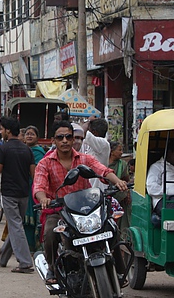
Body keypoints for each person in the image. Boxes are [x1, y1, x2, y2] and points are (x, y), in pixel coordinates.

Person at [33, 120, 128, 285]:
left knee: (111, 227)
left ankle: (120, 270)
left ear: (73, 140)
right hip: (60, 211)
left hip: (87, 210)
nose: (65, 141)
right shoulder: (45, 163)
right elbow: (39, 186)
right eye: (60, 137)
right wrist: (44, 199)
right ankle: (52, 268)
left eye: (68, 137)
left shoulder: (84, 159)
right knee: (50, 233)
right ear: (53, 140)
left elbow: (102, 170)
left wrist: (117, 181)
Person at [0, 117, 36, 273]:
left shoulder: (3, 149)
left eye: (2, 129)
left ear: (8, 131)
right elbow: (34, 174)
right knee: (17, 225)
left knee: (15, 226)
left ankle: (25, 262)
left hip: (9, 193)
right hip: (24, 193)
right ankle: (3, 257)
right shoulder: (27, 149)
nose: (0, 132)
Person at [81, 117, 110, 191]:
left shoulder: (103, 143)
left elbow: (81, 132)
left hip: (97, 188)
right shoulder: (93, 145)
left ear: (94, 132)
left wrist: (88, 121)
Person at [146, 141, 174, 217]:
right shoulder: (157, 167)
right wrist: (170, 191)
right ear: (169, 152)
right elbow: (151, 188)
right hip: (163, 200)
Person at [108, 141, 131, 229]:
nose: (121, 152)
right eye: (119, 150)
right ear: (111, 151)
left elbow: (126, 180)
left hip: (121, 198)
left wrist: (127, 193)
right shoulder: (103, 163)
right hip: (107, 197)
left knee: (122, 223)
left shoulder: (122, 164)